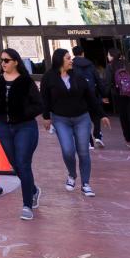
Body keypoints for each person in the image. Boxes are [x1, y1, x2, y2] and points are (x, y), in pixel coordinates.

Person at [41, 47, 108, 196]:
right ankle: (72, 175)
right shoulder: (48, 77)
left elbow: (90, 97)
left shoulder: (78, 76)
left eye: (70, 58)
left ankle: (85, 184)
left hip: (81, 118)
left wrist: (102, 114)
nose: (71, 61)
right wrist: (46, 117)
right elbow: (45, 99)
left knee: (83, 152)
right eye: (68, 58)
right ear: (59, 60)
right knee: (68, 150)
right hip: (60, 119)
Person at [0, 48, 44, 219]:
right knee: (15, 164)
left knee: (23, 162)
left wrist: (23, 114)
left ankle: (27, 205)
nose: (3, 63)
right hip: (4, 126)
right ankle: (33, 189)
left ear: (16, 62)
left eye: (7, 60)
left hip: (25, 126)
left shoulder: (26, 81)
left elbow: (38, 104)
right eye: (2, 60)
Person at [72, 41, 107, 149]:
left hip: (79, 97)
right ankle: (97, 136)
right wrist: (104, 94)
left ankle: (88, 142)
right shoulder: (90, 64)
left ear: (74, 54)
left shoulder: (71, 65)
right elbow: (98, 80)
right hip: (92, 94)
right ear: (83, 53)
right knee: (96, 116)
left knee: (83, 119)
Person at [109, 49, 130, 149]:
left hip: (120, 96)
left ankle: (128, 139)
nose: (108, 57)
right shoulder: (128, 65)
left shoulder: (111, 67)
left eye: (108, 55)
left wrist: (110, 94)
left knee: (124, 118)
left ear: (112, 56)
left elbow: (109, 82)